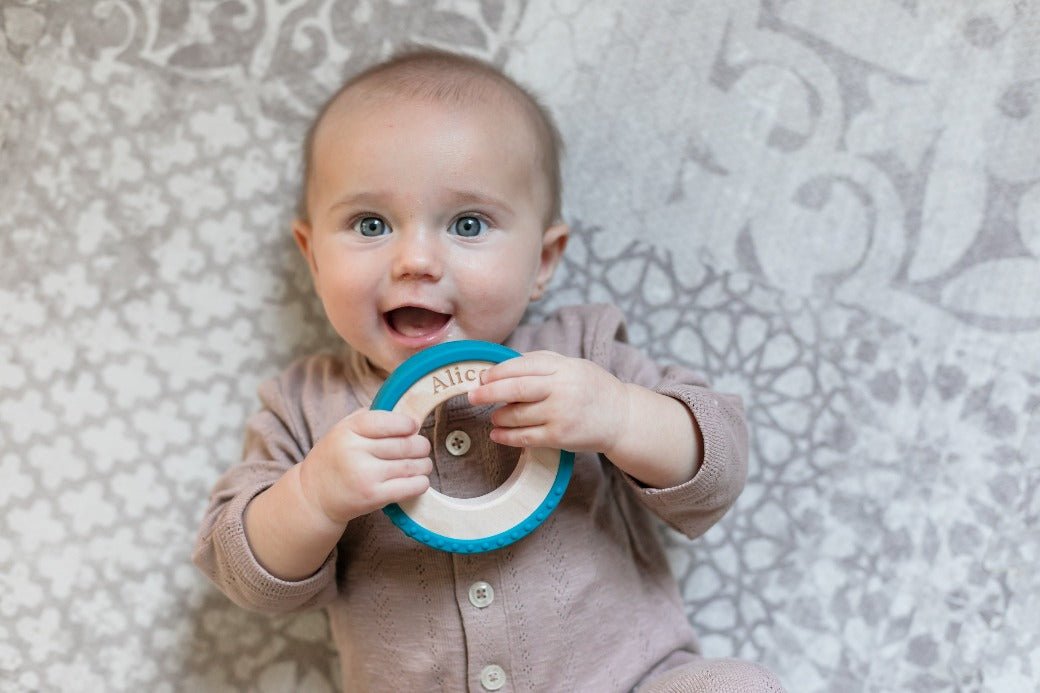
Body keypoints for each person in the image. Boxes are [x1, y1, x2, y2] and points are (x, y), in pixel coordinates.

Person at [192, 47, 784, 692]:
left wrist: (619, 415)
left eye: (468, 224)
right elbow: (242, 571)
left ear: (543, 261)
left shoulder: (580, 355)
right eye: (371, 223)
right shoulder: (305, 404)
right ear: (311, 256)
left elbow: (720, 466)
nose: (416, 260)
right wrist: (312, 496)